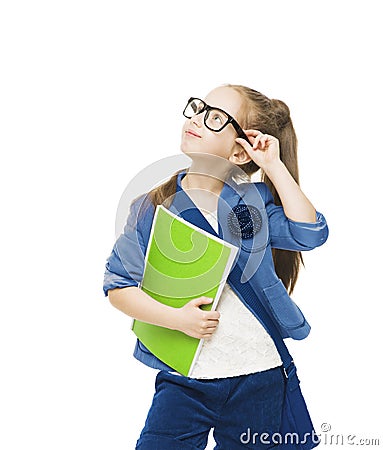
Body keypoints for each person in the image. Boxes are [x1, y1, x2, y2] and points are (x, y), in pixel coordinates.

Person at [103, 84, 329, 449]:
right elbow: (118, 288)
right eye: (198, 108)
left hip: (261, 373)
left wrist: (273, 165)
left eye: (215, 118)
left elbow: (310, 233)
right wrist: (177, 319)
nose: (196, 119)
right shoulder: (151, 206)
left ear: (240, 150)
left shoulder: (253, 202)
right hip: (186, 377)